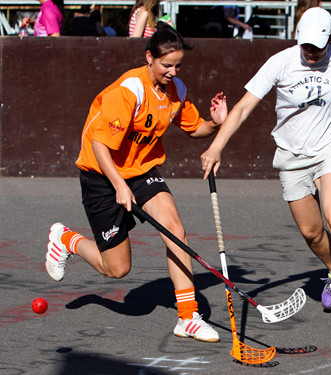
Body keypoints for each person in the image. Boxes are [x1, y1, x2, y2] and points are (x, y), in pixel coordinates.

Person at [200, 7, 331, 324]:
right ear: (298, 38)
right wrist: (217, 146)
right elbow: (245, 106)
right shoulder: (281, 62)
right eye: (306, 46)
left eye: (318, 47)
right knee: (312, 233)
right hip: (291, 158)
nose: (312, 53)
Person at [45, 24, 227, 342]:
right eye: (166, 65)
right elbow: (100, 146)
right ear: (149, 58)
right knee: (116, 269)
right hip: (102, 174)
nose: (173, 72)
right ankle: (66, 240)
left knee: (176, 231)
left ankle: (188, 317)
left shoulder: (176, 91)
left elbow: (194, 127)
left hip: (142, 170)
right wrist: (118, 184)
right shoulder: (130, 90)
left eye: (178, 65)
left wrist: (214, 123)